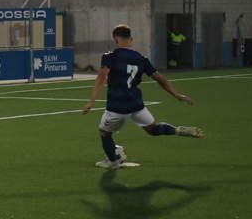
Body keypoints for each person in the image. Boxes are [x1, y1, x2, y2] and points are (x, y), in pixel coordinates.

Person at [81, 24, 205, 168]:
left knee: (104, 132)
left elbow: (101, 78)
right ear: (131, 39)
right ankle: (176, 130)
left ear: (115, 40)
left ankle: (113, 161)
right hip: (136, 104)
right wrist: (177, 95)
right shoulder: (141, 58)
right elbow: (160, 79)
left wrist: (91, 102)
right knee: (153, 129)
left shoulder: (110, 56)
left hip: (118, 106)